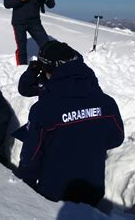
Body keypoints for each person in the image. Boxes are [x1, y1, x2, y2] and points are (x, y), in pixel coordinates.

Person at [13, 40, 125, 206]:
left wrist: (23, 191)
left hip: (55, 190)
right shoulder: (106, 102)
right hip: (92, 187)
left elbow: (31, 157)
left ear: (49, 69)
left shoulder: (44, 109)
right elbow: (116, 138)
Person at [4, 0, 56, 65]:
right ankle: (21, 70)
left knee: (46, 46)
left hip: (35, 23)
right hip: (19, 23)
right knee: (22, 49)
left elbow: (52, 4)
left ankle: (47, 67)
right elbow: (6, 3)